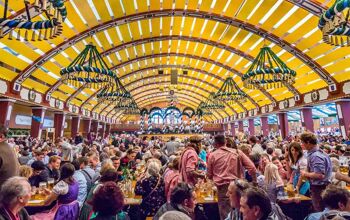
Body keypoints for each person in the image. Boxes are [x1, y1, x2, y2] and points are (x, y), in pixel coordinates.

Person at [207, 135, 257, 220]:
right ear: (225, 142)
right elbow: (252, 168)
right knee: (243, 212)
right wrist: (254, 182)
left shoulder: (212, 156)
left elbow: (209, 175)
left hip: (223, 190)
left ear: (215, 144)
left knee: (226, 215)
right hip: (240, 186)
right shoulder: (237, 152)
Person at [300, 132, 332, 211]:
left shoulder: (315, 156)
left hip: (319, 189)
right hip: (321, 187)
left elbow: (320, 175)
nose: (301, 144)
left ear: (308, 142)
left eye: (302, 142)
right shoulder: (317, 153)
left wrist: (305, 173)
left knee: (319, 210)